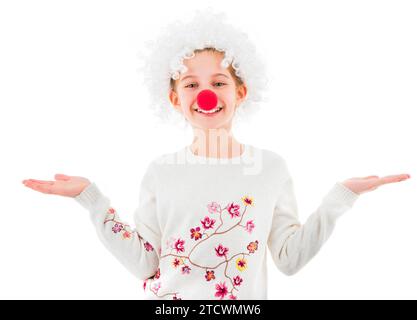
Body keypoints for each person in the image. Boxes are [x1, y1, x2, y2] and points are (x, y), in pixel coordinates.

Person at [22, 8, 411, 300]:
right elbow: (144, 263)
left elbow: (290, 260)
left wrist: (341, 196)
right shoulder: (160, 172)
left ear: (239, 93)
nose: (205, 94)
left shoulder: (271, 168)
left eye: (219, 82)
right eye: (191, 84)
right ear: (175, 99)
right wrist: (91, 199)